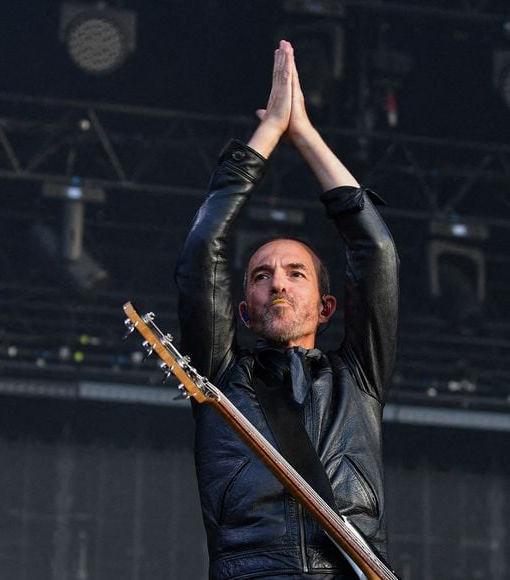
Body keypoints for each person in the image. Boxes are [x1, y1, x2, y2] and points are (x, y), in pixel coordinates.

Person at [175, 40, 399, 579]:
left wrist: (304, 133)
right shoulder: (222, 375)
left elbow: (377, 252)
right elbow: (204, 247)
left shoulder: (357, 377)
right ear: (242, 311)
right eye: (260, 276)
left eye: (295, 273)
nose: (278, 282)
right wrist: (269, 133)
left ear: (326, 307)